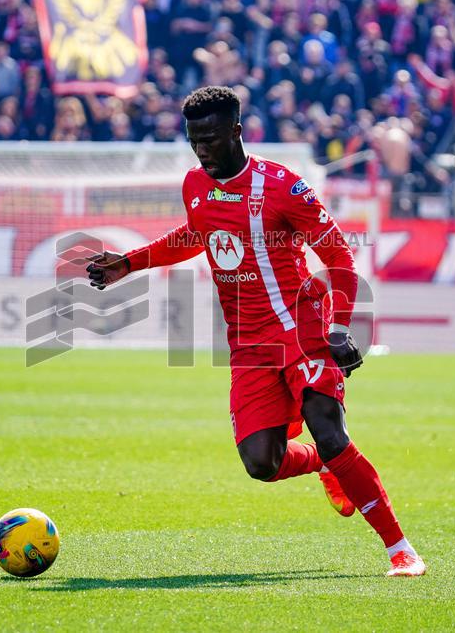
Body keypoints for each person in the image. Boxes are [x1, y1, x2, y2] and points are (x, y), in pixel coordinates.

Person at [86, 86, 426, 577]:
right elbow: (195, 233)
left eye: (211, 138)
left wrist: (339, 326)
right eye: (194, 139)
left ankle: (401, 549)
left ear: (236, 132)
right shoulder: (194, 185)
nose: (201, 149)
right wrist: (129, 264)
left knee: (329, 429)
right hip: (249, 342)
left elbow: (339, 255)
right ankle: (323, 464)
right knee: (261, 463)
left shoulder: (284, 186)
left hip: (301, 321)